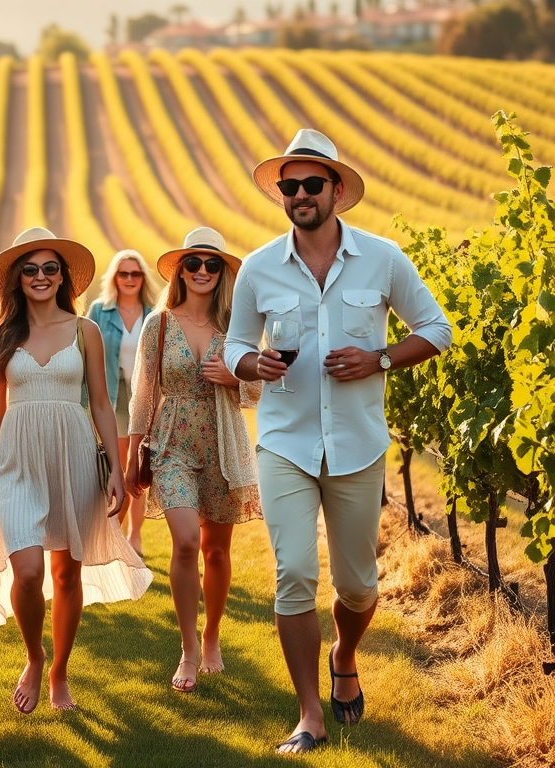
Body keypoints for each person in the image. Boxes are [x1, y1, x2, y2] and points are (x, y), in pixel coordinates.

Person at [223, 129, 452, 755]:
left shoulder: (383, 259)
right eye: (289, 185)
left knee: (357, 586)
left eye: (311, 184)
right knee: (294, 573)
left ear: (336, 189)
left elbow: (437, 328)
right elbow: (235, 344)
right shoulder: (259, 268)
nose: (299, 194)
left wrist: (380, 358)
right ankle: (309, 715)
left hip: (357, 444)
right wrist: (253, 364)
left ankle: (344, 654)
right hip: (284, 444)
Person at [0, 227, 153, 714]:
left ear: (62, 277)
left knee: (66, 574)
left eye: (50, 268)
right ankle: (34, 657)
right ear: (18, 278)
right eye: (30, 269)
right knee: (28, 572)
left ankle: (58, 672)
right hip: (17, 460)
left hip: (73, 454)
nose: (40, 276)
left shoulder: (84, 331)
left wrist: (115, 469)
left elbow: (101, 402)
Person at [124, 227, 262, 695]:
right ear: (180, 271)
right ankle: (187, 649)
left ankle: (212, 636)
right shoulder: (158, 324)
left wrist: (233, 377)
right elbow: (143, 395)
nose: (203, 271)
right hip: (172, 445)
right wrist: (132, 456)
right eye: (194, 263)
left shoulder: (237, 327)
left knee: (216, 552)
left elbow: (260, 386)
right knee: (186, 542)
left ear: (222, 273)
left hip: (222, 444)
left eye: (212, 264)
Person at [87, 250, 161, 556]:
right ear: (114, 278)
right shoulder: (99, 311)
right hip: (112, 397)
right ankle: (112, 532)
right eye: (123, 273)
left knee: (140, 466)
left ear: (143, 278)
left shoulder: (154, 312)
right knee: (118, 466)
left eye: (135, 273)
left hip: (146, 398)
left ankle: (135, 535)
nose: (129, 279)